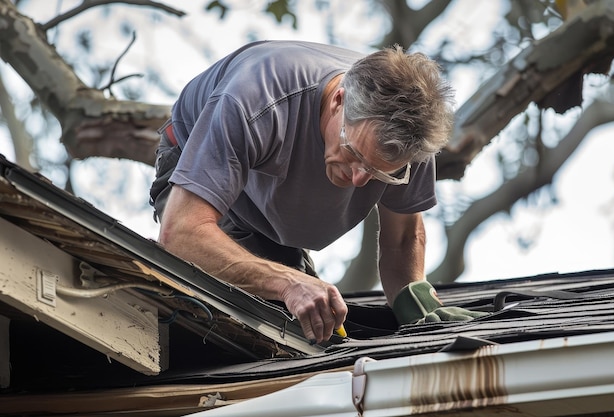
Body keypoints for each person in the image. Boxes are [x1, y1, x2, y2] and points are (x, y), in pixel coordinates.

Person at [150, 40, 485, 344]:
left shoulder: (412, 140)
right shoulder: (256, 98)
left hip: (273, 214)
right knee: (255, 333)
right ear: (339, 100)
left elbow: (401, 240)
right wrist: (288, 282)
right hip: (198, 177)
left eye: (379, 174)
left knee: (319, 330)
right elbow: (182, 233)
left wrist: (415, 303)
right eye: (354, 154)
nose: (358, 180)